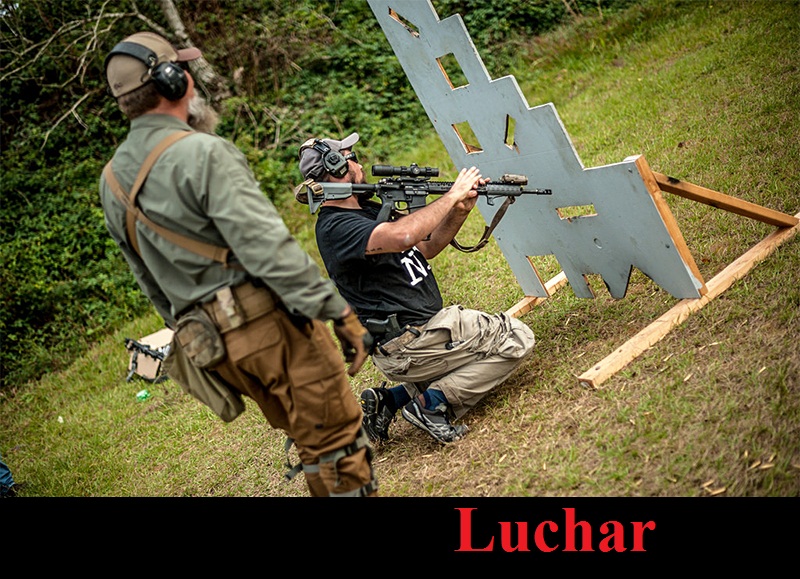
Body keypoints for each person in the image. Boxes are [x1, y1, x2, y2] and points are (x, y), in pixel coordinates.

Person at [99, 32, 377, 497]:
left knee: (313, 441)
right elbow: (267, 247)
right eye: (184, 70)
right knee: (338, 442)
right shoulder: (203, 152)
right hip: (268, 331)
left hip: (212, 348)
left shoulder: (111, 182)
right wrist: (339, 313)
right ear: (172, 81)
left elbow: (150, 284)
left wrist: (194, 328)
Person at [296, 132, 536, 444]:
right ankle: (431, 405)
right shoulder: (336, 227)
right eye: (351, 157)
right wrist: (450, 195)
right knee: (516, 337)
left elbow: (425, 246)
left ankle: (390, 400)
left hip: (416, 336)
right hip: (410, 342)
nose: (359, 163)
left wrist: (460, 208)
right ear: (336, 166)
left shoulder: (366, 209)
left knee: (470, 359)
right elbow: (403, 236)